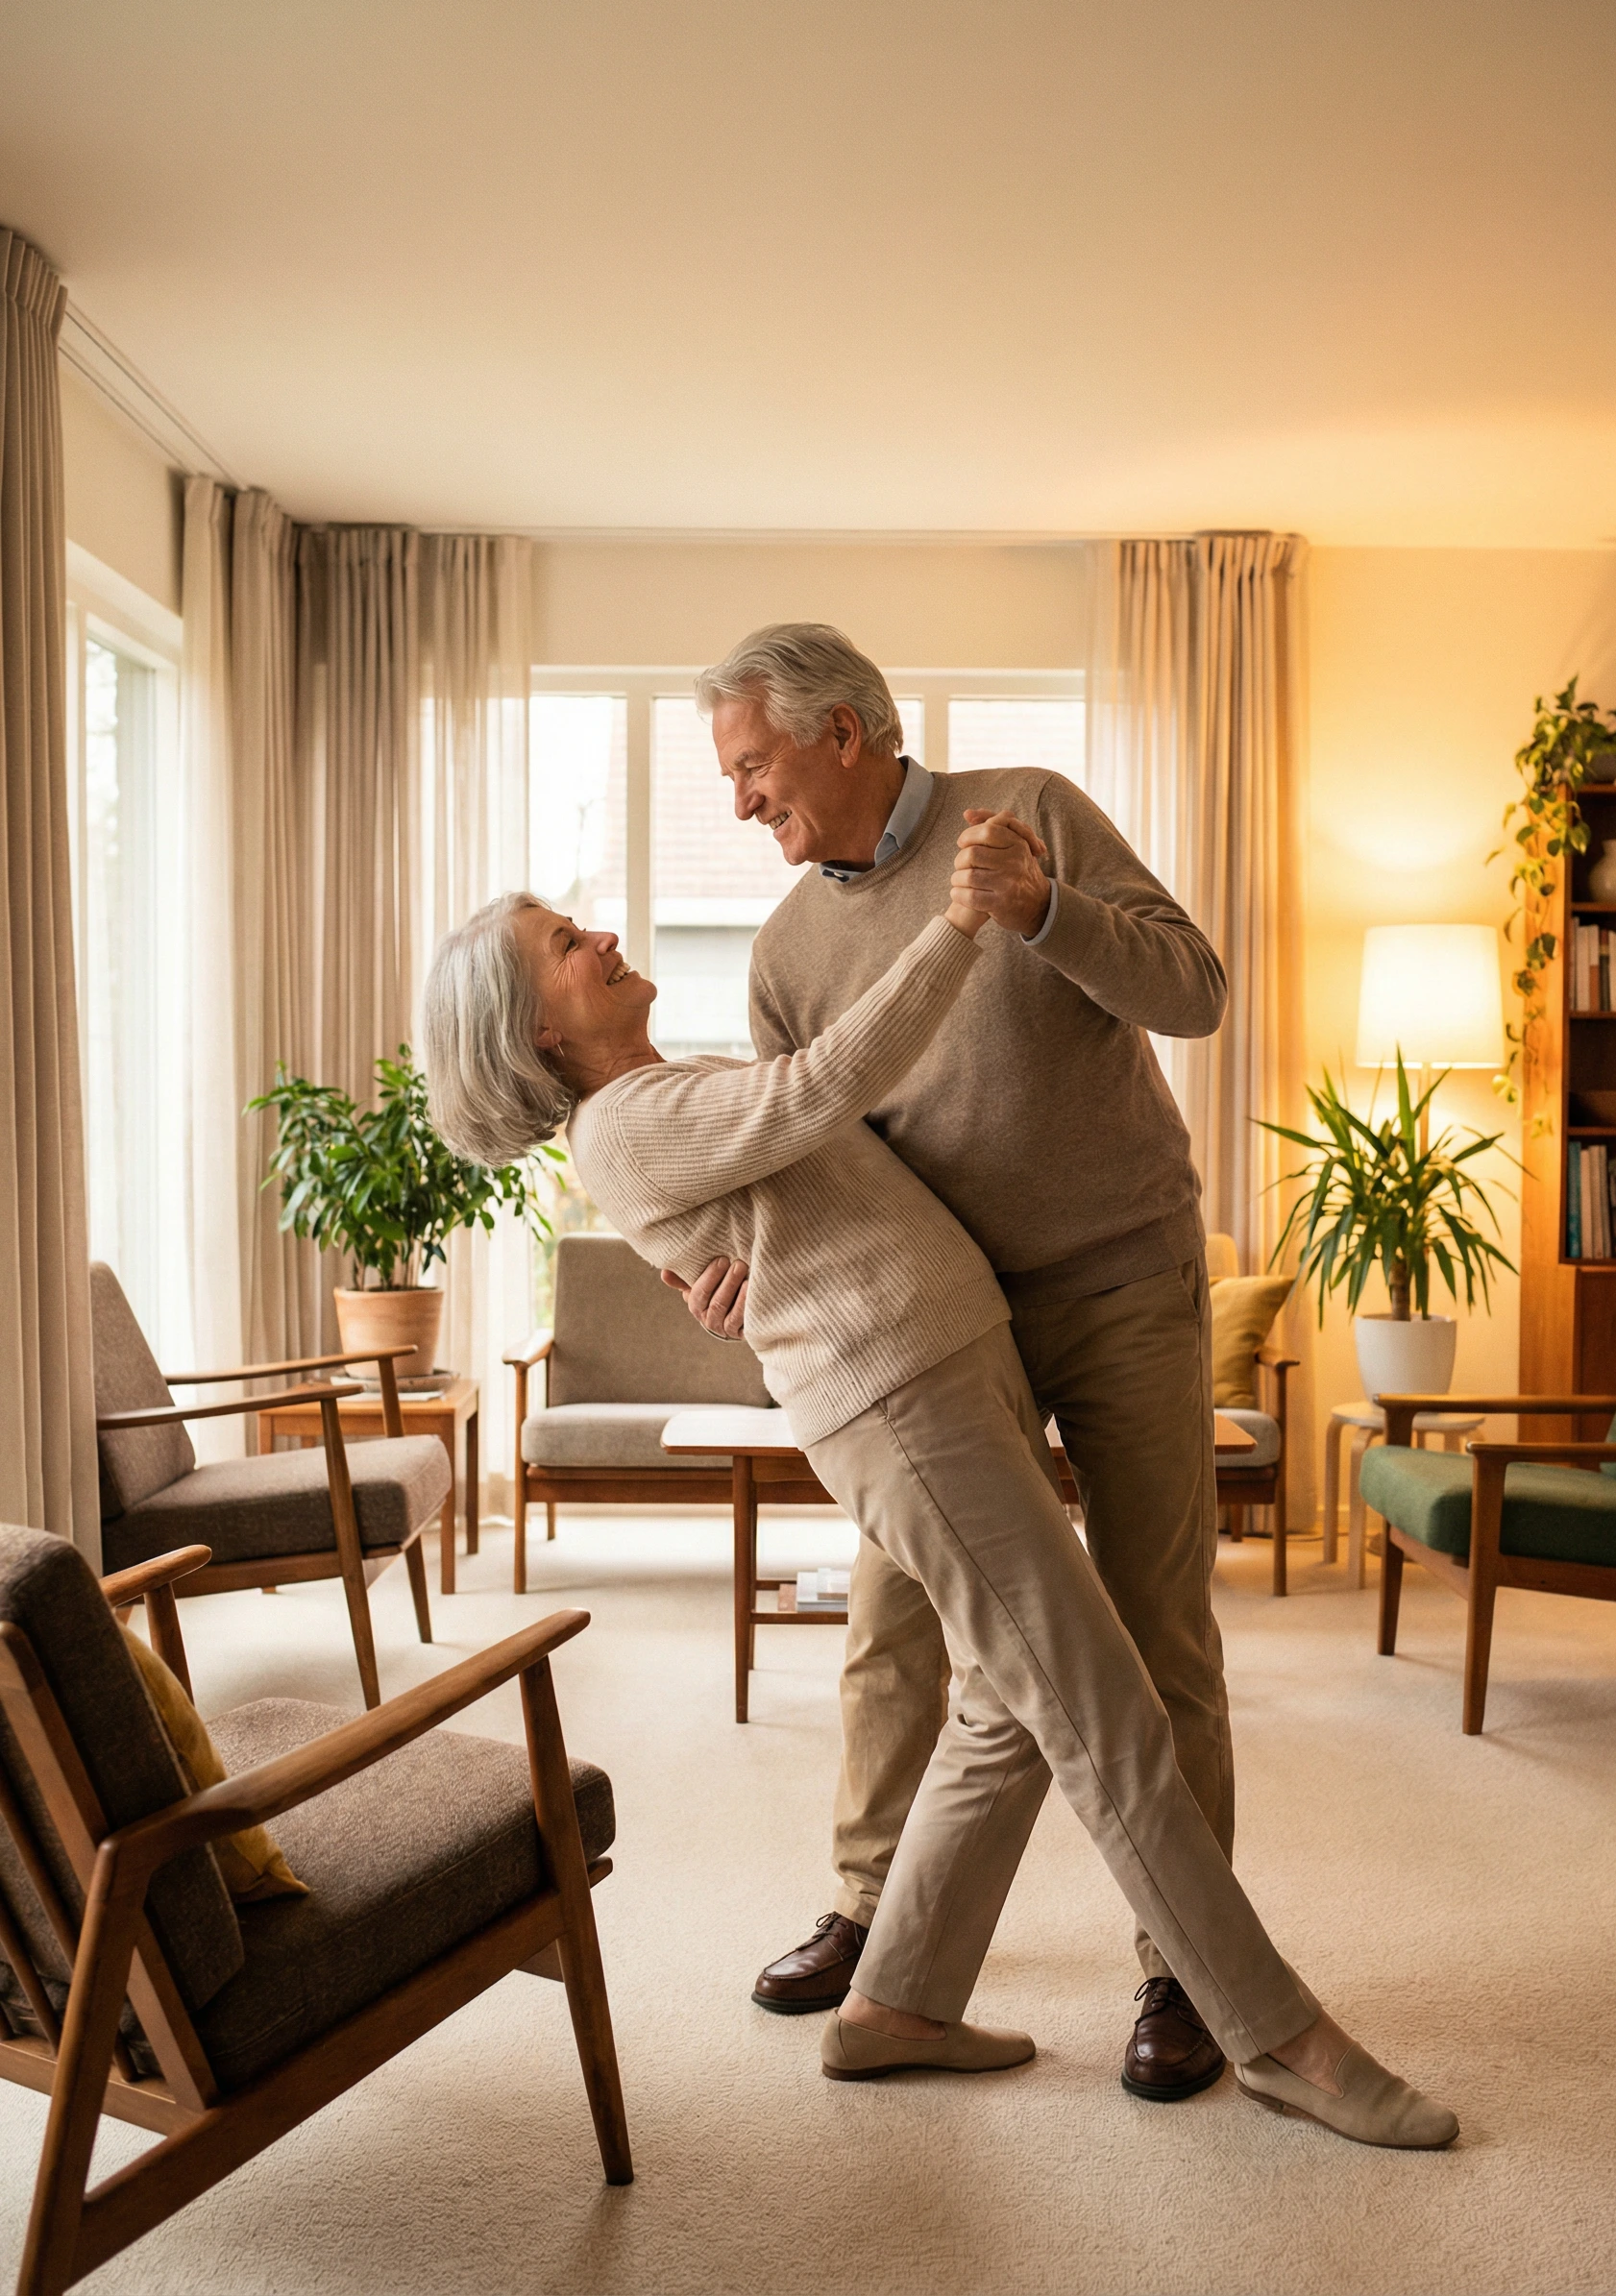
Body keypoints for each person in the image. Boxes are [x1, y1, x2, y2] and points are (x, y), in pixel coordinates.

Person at [421, 879, 1458, 2148]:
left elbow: (801, 1188)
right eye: (566, 946)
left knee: (1009, 1704)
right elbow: (822, 1086)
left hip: (947, 1369)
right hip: (904, 1401)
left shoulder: (658, 1094)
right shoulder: (625, 1123)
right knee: (1104, 1707)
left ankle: (900, 2002)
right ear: (537, 1028)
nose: (603, 939)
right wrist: (965, 924)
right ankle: (1280, 2036)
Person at [675, 622, 1236, 2103]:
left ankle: (1182, 1967)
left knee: (1154, 1620)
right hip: (943, 1323)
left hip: (1121, 1274)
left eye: (752, 768)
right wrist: (746, 1250)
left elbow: (1195, 992)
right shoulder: (791, 948)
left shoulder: (1028, 810)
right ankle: (870, 1914)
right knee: (894, 1617)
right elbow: (810, 1146)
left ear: (843, 733)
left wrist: (1051, 913)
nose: (740, 803)